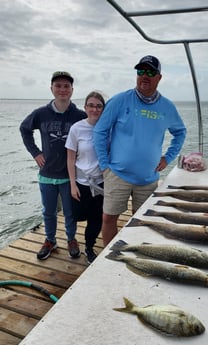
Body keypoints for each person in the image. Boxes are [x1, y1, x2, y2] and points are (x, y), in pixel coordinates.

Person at [93, 55, 187, 247]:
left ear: (159, 77)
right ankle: (108, 261)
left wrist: (167, 158)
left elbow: (180, 132)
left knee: (144, 222)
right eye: (141, 71)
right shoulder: (119, 100)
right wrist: (104, 165)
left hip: (148, 179)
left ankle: (138, 254)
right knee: (109, 219)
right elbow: (100, 131)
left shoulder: (167, 107)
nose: (145, 75)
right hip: (117, 175)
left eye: (150, 72)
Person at [20, 71, 85, 260]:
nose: (62, 89)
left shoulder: (79, 115)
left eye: (66, 86)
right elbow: (24, 130)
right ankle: (50, 240)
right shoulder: (41, 114)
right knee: (48, 211)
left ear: (72, 90)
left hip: (69, 175)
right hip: (47, 174)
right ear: (51, 89)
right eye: (58, 86)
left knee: (70, 212)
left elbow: (91, 136)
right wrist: (35, 153)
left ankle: (71, 239)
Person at [65, 91, 105, 264]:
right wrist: (72, 185)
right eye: (91, 105)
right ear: (85, 107)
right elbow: (71, 158)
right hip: (81, 182)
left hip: (101, 183)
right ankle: (71, 240)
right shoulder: (77, 128)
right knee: (78, 215)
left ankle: (89, 247)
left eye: (98, 106)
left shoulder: (107, 127)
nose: (94, 109)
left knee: (96, 219)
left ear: (103, 109)